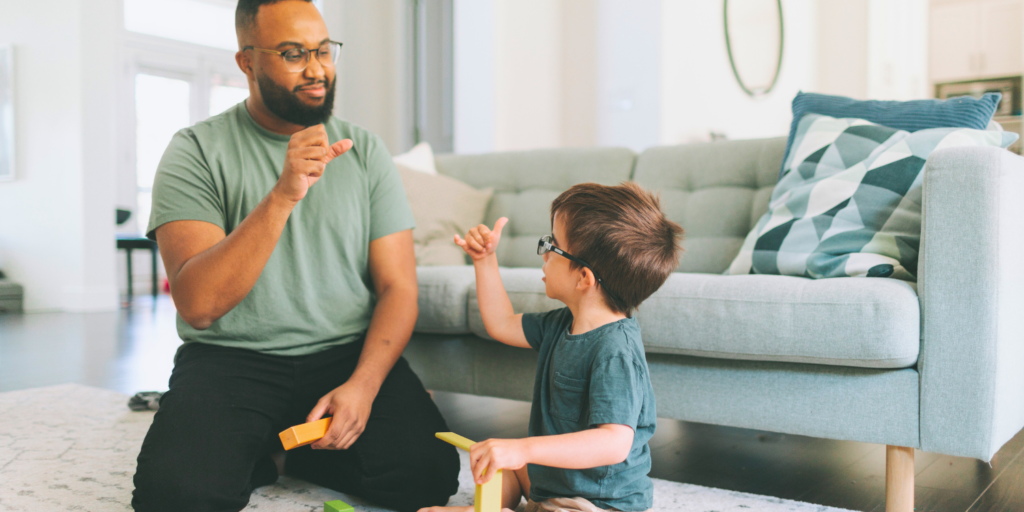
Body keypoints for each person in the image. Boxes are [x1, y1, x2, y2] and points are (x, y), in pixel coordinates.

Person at [130, 1, 459, 511]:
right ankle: (265, 444)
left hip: (344, 355)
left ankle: (284, 448)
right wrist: (282, 195)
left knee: (428, 475)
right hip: (232, 358)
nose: (316, 69)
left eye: (324, 51)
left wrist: (363, 387)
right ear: (247, 62)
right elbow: (198, 304)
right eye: (292, 54)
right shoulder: (195, 150)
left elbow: (399, 287)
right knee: (175, 498)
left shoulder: (366, 151)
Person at [422, 183, 684, 512]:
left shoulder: (615, 350)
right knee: (505, 465)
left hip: (598, 503)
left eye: (552, 245)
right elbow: (501, 323)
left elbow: (614, 443)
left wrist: (525, 449)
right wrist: (485, 260)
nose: (544, 253)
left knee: (517, 456)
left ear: (584, 278)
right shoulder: (561, 323)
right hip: (554, 484)